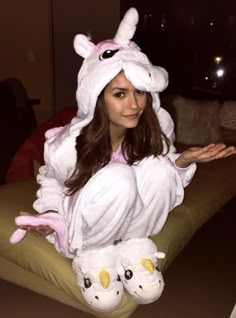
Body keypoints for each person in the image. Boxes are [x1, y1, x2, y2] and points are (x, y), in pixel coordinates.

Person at [19, 8, 236, 254]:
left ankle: (132, 247)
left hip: (127, 226)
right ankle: (94, 254)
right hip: (84, 230)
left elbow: (157, 183)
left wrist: (182, 161)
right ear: (98, 98)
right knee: (119, 176)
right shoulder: (71, 144)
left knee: (160, 169)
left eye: (140, 92)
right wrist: (49, 215)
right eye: (120, 94)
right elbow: (50, 180)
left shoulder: (149, 132)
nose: (134, 105)